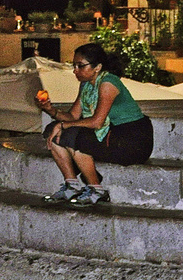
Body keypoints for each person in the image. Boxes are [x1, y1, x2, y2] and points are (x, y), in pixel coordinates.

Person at [36, 43, 154, 206]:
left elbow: (97, 122)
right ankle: (72, 185)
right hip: (110, 134)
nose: (75, 71)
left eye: (80, 66)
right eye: (74, 66)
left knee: (74, 135)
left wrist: (63, 125)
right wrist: (50, 109)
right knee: (52, 130)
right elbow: (72, 116)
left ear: (97, 67)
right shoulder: (86, 84)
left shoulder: (108, 83)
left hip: (132, 139)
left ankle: (97, 189)